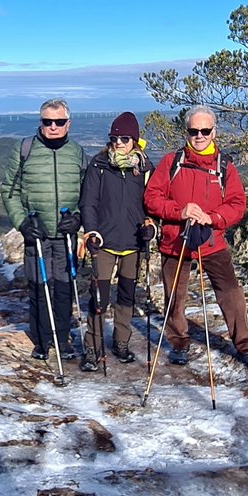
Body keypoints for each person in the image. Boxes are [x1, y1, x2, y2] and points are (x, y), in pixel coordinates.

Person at [143, 105, 248, 369]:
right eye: (193, 130)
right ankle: (179, 343)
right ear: (186, 131)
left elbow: (237, 204)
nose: (199, 135)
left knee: (231, 293)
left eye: (205, 130)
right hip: (176, 239)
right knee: (174, 295)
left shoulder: (225, 166)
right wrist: (180, 211)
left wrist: (212, 218)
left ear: (214, 132)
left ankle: (245, 346)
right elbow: (152, 198)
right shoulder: (171, 162)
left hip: (211, 239)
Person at [1, 98, 87, 362]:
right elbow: (9, 191)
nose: (53, 127)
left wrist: (79, 218)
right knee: (39, 288)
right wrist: (22, 222)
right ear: (40, 122)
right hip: (35, 232)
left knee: (63, 288)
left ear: (68, 124)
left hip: (65, 234)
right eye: (47, 121)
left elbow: (87, 193)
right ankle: (40, 341)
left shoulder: (77, 152)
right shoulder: (24, 149)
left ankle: (62, 340)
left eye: (59, 122)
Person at [78, 111, 155, 370]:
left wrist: (150, 226)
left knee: (126, 296)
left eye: (124, 138)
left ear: (135, 139)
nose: (119, 143)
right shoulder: (99, 166)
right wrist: (91, 231)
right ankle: (92, 347)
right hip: (104, 242)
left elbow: (152, 204)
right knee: (98, 297)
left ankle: (121, 342)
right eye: (114, 138)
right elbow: (88, 202)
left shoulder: (144, 168)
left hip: (133, 244)